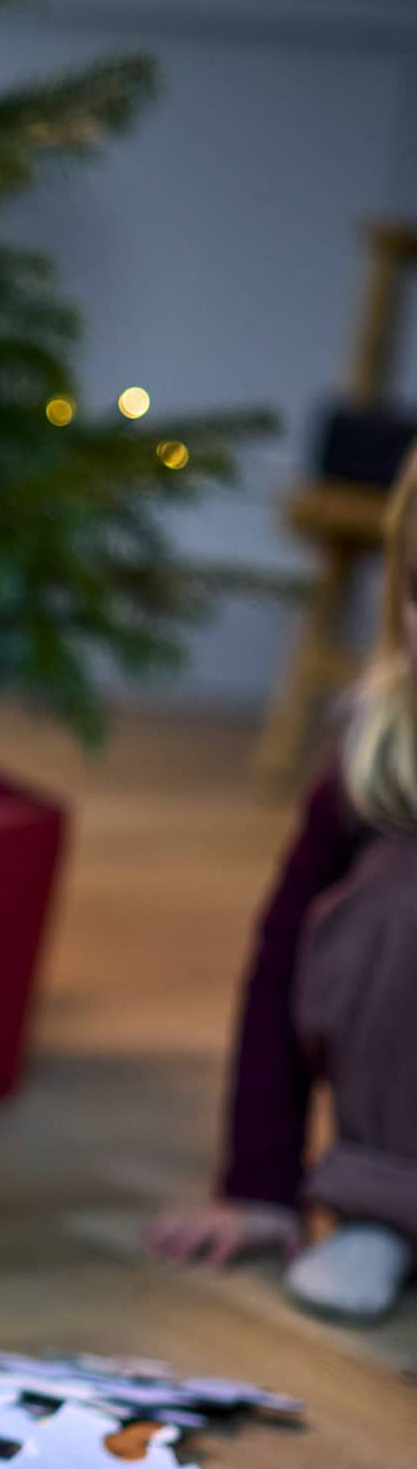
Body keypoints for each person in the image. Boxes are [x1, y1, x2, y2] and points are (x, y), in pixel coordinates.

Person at [146, 441, 417, 1322]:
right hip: (394, 1155)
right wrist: (260, 1182)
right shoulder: (376, 754)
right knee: (397, 903)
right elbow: (280, 962)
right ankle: (385, 1206)